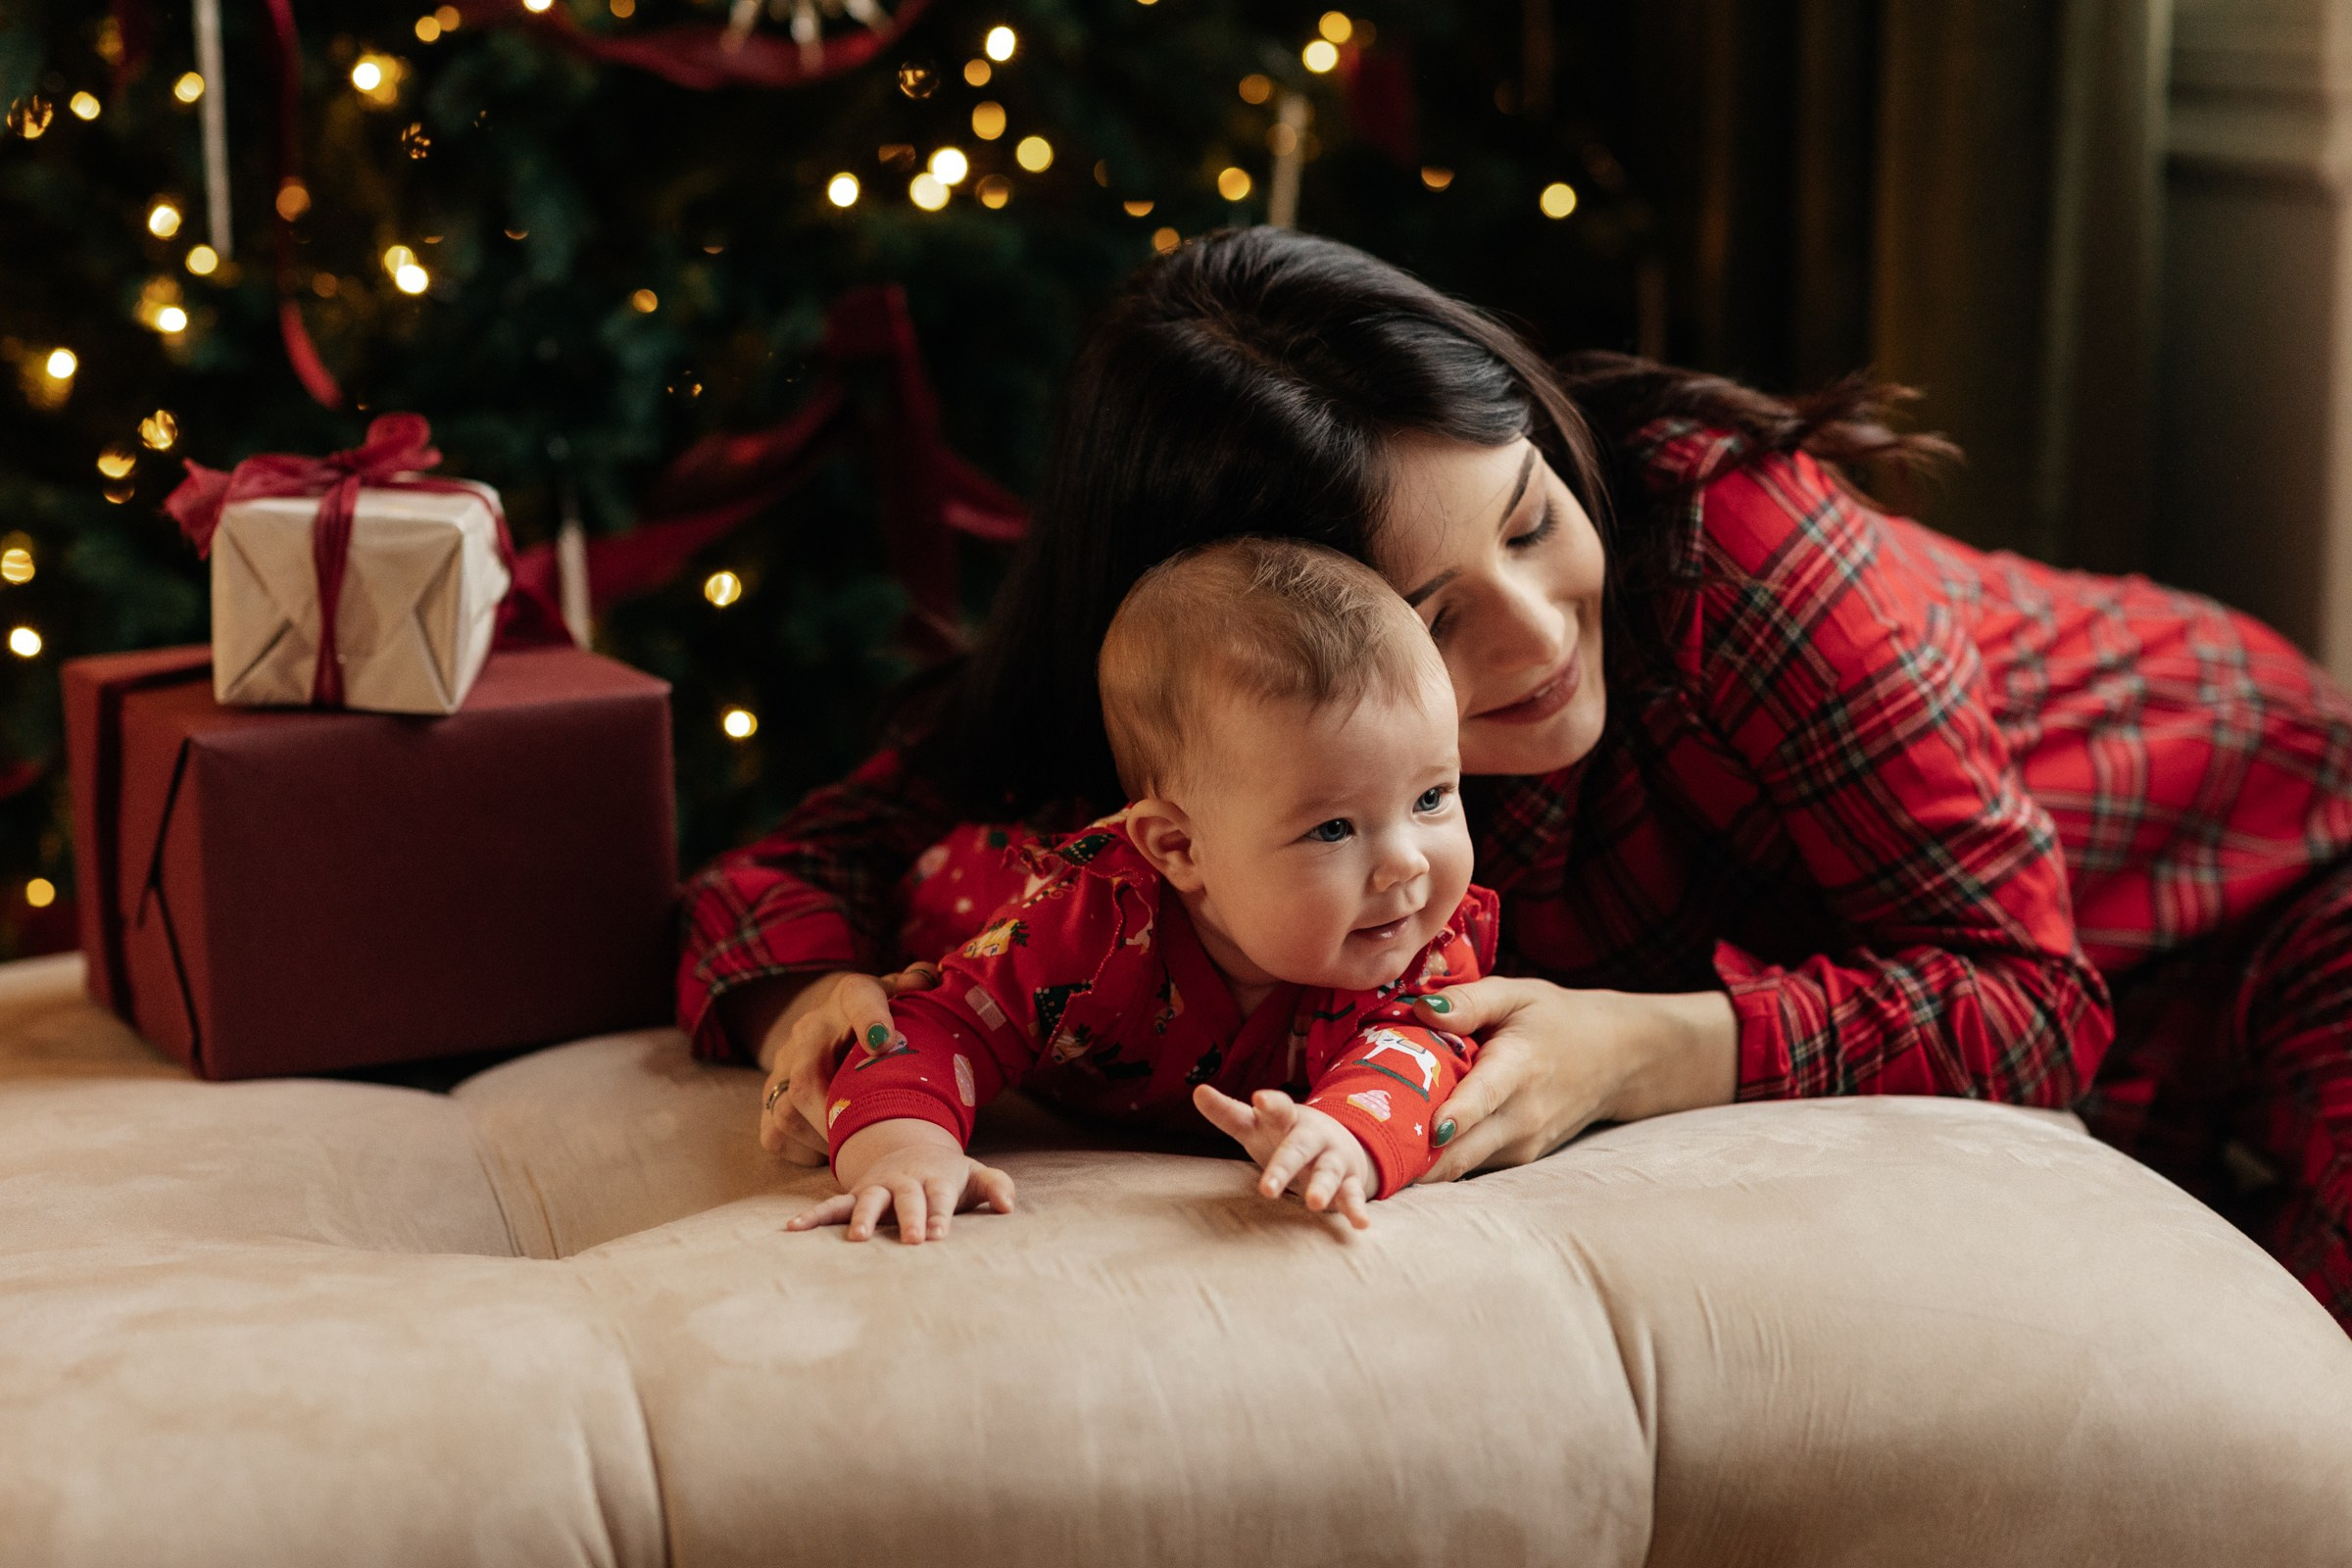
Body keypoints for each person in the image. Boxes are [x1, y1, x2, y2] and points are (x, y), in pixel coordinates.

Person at [684, 226, 2352, 1331]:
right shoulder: (1209, 711)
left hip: (2275, 861)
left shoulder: (1737, 546)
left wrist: (1645, 1047)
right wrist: (814, 1010)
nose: (1546, 629)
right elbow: (797, 870)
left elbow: (2031, 1003)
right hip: (2112, 1092)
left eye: (1534, 516)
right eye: (1431, 616)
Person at [787, 538, 1496, 1243]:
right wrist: (906, 1151)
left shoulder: (1421, 946)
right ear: (1180, 849)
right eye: (1334, 828)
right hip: (969, 886)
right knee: (949, 898)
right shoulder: (1086, 925)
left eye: (1432, 797)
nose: (1406, 864)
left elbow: (1417, 1060)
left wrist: (1345, 1140)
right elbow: (936, 1025)